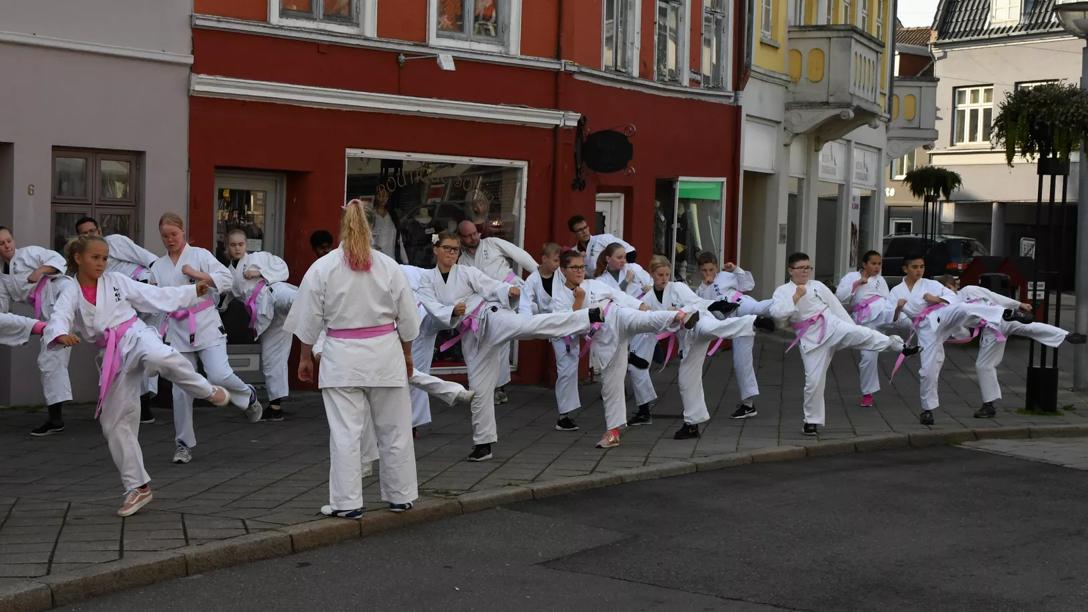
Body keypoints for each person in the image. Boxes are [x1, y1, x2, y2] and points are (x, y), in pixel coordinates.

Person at [43, 235, 236, 517]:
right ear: (78, 258)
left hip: (134, 334)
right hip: (112, 356)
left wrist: (194, 291)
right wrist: (59, 333)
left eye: (105, 258)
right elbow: (59, 315)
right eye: (95, 258)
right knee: (113, 423)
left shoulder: (117, 282)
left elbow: (155, 296)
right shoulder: (70, 291)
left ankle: (205, 389)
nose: (101, 263)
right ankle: (138, 487)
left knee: (161, 356)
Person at [285, 199, 420, 518]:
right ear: (372, 227)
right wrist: (407, 353)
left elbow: (308, 319)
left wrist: (305, 357)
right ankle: (401, 496)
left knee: (345, 433)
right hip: (385, 355)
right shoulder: (389, 267)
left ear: (341, 226)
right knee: (396, 429)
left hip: (342, 358)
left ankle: (347, 503)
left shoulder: (323, 267)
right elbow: (409, 319)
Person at [418, 232, 597, 462]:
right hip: (471, 337)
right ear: (436, 249)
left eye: (455, 249)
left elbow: (490, 286)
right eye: (447, 248)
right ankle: (483, 444)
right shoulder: (427, 279)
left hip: (489, 317)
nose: (452, 253)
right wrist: (451, 311)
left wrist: (507, 291)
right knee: (479, 389)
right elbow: (430, 304)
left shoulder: (467, 272)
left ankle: (585, 317)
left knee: (528, 325)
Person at [150, 213, 262, 465]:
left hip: (207, 324)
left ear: (183, 233)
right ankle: (183, 444)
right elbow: (154, 299)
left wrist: (200, 275)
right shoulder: (158, 267)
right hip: (178, 329)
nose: (170, 240)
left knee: (218, 375)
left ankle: (248, 396)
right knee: (182, 389)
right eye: (165, 236)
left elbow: (227, 280)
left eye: (174, 235)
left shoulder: (200, 255)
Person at [552, 250, 689, 449]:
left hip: (618, 314)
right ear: (563, 270)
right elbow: (570, 326)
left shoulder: (594, 284)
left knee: (643, 319)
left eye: (582, 267)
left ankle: (678, 316)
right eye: (575, 267)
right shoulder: (559, 298)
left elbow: (618, 295)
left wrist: (640, 304)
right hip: (604, 339)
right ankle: (613, 432)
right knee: (611, 387)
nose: (580, 271)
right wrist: (579, 302)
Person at [770, 253, 918, 436]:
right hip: (810, 339)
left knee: (864, 334)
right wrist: (795, 297)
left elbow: (835, 306)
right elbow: (778, 315)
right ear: (790, 270)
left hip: (832, 324)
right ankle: (811, 421)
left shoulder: (817, 286)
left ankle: (900, 346)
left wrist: (849, 325)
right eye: (801, 268)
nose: (805, 272)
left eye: (808, 268)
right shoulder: (782, 291)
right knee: (813, 382)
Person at [642, 255, 775, 439]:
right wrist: (670, 317)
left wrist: (718, 305)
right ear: (651, 274)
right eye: (660, 275)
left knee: (715, 327)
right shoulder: (648, 299)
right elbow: (652, 323)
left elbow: (698, 302)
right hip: (685, 340)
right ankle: (692, 424)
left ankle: (753, 322)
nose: (664, 278)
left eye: (667, 274)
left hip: (699, 320)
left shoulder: (678, 287)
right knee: (686, 380)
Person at [886, 254, 1021, 426]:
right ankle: (927, 410)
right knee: (928, 370)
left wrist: (936, 299)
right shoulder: (896, 292)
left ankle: (1003, 313)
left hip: (942, 315)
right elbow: (891, 320)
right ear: (905, 269)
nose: (919, 270)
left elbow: (954, 298)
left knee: (963, 308)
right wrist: (898, 308)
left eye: (921, 266)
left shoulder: (932, 285)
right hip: (926, 330)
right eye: (914, 267)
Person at [936, 275, 1086, 418]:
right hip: (994, 327)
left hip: (999, 322)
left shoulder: (968, 291)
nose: (946, 294)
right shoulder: (951, 308)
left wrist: (1018, 304)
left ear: (953, 286)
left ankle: (1066, 335)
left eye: (947, 289)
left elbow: (993, 296)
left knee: (1026, 331)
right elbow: (962, 333)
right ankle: (1065, 335)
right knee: (987, 362)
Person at [75, 217, 161, 424]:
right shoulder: (85, 261)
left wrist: (159, 282)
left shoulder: (115, 242)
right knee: (124, 354)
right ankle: (133, 405)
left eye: (92, 230)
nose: (90, 235)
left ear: (100, 230)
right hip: (124, 306)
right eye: (84, 233)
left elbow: (150, 259)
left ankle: (145, 405)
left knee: (147, 349)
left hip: (147, 291)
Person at [0, 226, 74, 436]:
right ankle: (55, 418)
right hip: (46, 312)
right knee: (49, 358)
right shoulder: (2, 277)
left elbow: (59, 260)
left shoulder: (29, 253)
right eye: (1, 243)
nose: (7, 246)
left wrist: (40, 271)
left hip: (62, 291)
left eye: (9, 240)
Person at [456, 219, 539, 406]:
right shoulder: (461, 261)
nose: (473, 237)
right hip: (487, 303)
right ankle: (496, 386)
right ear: (461, 238)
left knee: (539, 312)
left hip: (513, 290)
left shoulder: (492, 243)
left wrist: (541, 276)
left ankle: (497, 386)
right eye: (468, 235)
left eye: (475, 233)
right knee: (497, 341)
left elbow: (520, 255)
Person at [224, 229, 298, 421]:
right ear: (228, 247)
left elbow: (283, 269)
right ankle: (275, 407)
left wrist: (259, 272)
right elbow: (224, 298)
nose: (237, 248)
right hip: (265, 317)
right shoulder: (230, 274)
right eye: (233, 245)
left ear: (246, 245)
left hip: (273, 293)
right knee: (272, 357)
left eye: (241, 244)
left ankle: (328, 309)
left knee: (295, 300)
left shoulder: (259, 257)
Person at [694, 252, 770, 419]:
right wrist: (707, 286)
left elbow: (748, 284)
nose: (709, 273)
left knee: (758, 307)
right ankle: (748, 404)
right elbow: (704, 309)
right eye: (704, 270)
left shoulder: (725, 276)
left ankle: (786, 303)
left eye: (711, 269)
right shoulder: (700, 290)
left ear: (716, 267)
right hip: (734, 324)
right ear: (700, 271)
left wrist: (736, 269)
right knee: (741, 361)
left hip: (741, 304)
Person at [592, 242, 658, 426]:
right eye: (619, 257)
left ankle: (644, 409)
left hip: (640, 320)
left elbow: (654, 284)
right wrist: (625, 282)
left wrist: (649, 289)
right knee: (625, 365)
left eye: (624, 257)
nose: (623, 261)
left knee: (636, 366)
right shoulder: (600, 281)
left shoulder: (635, 268)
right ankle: (640, 408)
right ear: (608, 259)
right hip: (620, 323)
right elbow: (612, 298)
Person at [518, 242, 582, 431]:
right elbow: (525, 303)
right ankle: (564, 415)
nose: (556, 264)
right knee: (566, 367)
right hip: (548, 323)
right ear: (544, 259)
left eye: (559, 261)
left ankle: (566, 413)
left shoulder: (560, 276)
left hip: (568, 320)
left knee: (570, 365)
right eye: (554, 260)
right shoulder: (533, 280)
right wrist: (525, 323)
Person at [835, 251, 892, 408]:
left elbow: (887, 299)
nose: (877, 267)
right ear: (864, 264)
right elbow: (840, 297)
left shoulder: (881, 280)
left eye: (879, 264)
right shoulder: (851, 277)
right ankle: (868, 393)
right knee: (868, 357)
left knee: (901, 315)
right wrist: (858, 283)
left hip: (882, 314)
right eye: (873, 263)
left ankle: (906, 345)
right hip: (864, 320)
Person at [566, 215, 635, 277]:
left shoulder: (603, 239)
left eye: (585, 227)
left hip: (612, 282)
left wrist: (623, 273)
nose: (584, 231)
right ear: (574, 233)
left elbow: (630, 251)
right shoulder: (574, 252)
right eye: (580, 230)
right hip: (593, 285)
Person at [369, 187, 406, 262]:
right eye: (380, 195)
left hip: (391, 259)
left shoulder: (393, 216)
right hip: (376, 260)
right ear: (376, 196)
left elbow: (399, 239)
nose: (383, 198)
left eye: (385, 196)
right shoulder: (371, 215)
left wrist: (405, 261)